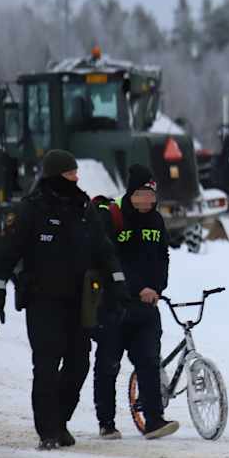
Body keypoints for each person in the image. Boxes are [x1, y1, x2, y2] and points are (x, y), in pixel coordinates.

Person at [0, 149, 129, 451]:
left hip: (79, 303)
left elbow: (104, 250)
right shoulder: (30, 210)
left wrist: (118, 285)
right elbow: (5, 254)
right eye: (70, 173)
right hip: (42, 301)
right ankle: (47, 431)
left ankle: (60, 421)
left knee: (79, 365)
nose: (76, 178)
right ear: (55, 176)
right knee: (47, 366)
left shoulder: (83, 207)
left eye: (76, 173)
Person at [92, 164, 180, 440]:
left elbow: (162, 257)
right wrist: (136, 288)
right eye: (141, 194)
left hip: (146, 306)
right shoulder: (111, 217)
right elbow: (108, 261)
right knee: (108, 364)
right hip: (113, 306)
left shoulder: (156, 221)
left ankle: (154, 421)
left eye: (151, 195)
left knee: (149, 362)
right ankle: (106, 423)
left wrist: (156, 287)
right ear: (131, 193)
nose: (146, 200)